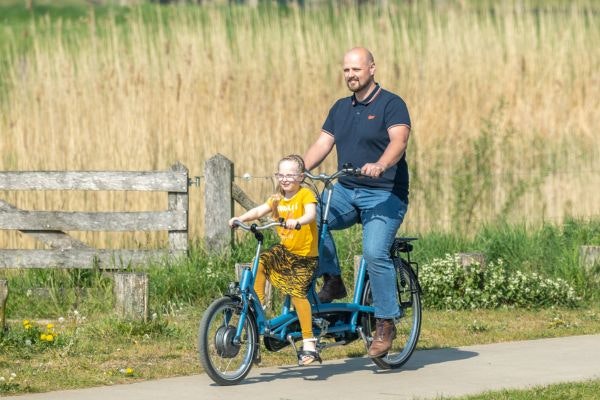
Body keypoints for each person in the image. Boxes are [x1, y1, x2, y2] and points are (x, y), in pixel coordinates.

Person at [303, 47, 411, 358]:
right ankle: (333, 279)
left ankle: (385, 322)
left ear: (372, 69)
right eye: (346, 70)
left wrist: (381, 164)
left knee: (374, 252)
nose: (351, 75)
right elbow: (323, 143)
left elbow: (399, 142)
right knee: (311, 216)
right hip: (347, 190)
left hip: (385, 193)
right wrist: (299, 169)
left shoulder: (392, 104)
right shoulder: (340, 108)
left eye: (357, 69)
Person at [228, 154, 320, 366]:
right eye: (281, 175)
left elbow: (311, 214)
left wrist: (297, 221)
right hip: (285, 251)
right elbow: (260, 210)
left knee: (297, 293)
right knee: (260, 263)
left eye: (290, 175)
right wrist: (240, 219)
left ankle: (309, 342)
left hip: (304, 256)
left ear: (301, 177)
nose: (285, 179)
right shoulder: (277, 198)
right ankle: (259, 312)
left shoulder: (305, 195)